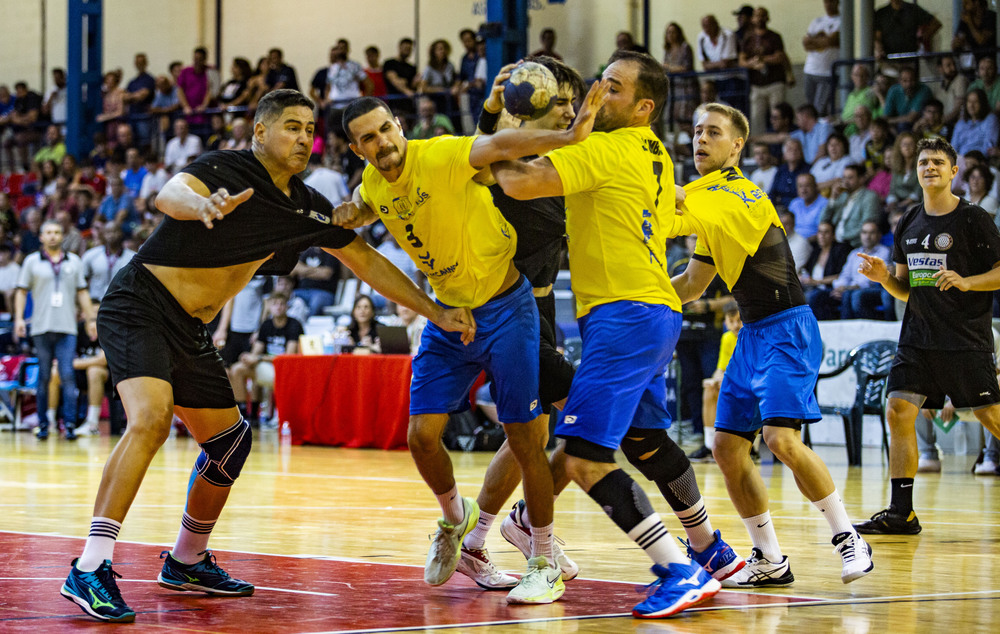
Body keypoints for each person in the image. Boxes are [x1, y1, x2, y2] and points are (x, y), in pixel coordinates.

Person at [58, 89, 474, 624]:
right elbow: (170, 193)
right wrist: (203, 205)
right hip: (139, 303)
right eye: (292, 127)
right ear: (260, 132)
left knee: (229, 443)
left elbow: (366, 262)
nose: (304, 138)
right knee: (151, 419)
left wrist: (436, 311)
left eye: (310, 130)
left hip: (189, 328)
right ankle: (91, 565)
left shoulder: (305, 206)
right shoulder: (227, 167)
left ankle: (186, 561)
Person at [338, 83, 608, 605]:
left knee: (527, 438)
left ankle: (544, 560)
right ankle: (454, 522)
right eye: (368, 139)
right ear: (357, 149)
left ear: (399, 125)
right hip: (448, 317)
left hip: (507, 309)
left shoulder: (439, 153)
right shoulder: (372, 180)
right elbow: (369, 203)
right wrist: (354, 211)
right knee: (421, 437)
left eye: (386, 129)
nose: (382, 143)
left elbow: (501, 146)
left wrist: (570, 134)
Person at [492, 50, 736, 619]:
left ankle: (677, 570)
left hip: (624, 315)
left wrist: (499, 130)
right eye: (600, 80)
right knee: (640, 440)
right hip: (653, 311)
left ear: (643, 106)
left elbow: (516, 183)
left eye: (615, 88)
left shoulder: (607, 146)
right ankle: (706, 549)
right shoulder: (656, 152)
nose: (600, 93)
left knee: (583, 456)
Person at [667, 102, 874, 588]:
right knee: (725, 448)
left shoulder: (738, 195)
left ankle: (848, 538)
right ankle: (770, 558)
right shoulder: (711, 206)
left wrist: (619, 180)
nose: (700, 140)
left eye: (713, 132)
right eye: (696, 131)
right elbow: (693, 284)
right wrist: (638, 292)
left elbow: (670, 203)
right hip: (752, 334)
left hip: (788, 328)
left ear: (737, 146)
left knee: (781, 440)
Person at [457, 56, 585, 590]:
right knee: (586, 418)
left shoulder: (562, 161)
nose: (572, 112)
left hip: (544, 307)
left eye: (574, 102)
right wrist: (489, 110)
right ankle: (532, 530)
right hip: (509, 312)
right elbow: (475, 155)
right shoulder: (507, 154)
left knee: (529, 434)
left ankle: (478, 541)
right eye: (562, 102)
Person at [854, 137, 1000, 535]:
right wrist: (884, 278)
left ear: (954, 171)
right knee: (898, 410)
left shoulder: (973, 219)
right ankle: (902, 512)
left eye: (937, 161)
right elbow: (906, 288)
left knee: (991, 416)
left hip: (963, 339)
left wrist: (968, 282)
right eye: (922, 162)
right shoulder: (908, 221)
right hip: (917, 338)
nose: (929, 167)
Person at [13, 220, 98, 440]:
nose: (53, 236)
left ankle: (69, 424)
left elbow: (82, 293)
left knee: (67, 374)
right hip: (40, 327)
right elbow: (21, 291)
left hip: (67, 328)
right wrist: (19, 319)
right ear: (41, 237)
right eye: (48, 232)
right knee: (43, 376)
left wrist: (90, 320)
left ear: (62, 236)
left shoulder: (75, 262)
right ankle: (44, 424)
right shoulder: (32, 262)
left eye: (57, 232)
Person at [227, 291, 303, 425]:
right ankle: (244, 414)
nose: (278, 307)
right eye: (275, 304)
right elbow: (257, 350)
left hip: (284, 369)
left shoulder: (294, 325)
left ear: (287, 307)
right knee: (236, 369)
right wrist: (249, 357)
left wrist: (259, 358)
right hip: (266, 365)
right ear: (270, 307)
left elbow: (288, 357)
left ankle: (267, 413)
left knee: (262, 371)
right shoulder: (266, 325)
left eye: (281, 304)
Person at [697, 302, 742, 460]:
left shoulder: (751, 336)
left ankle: (743, 445)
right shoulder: (727, 338)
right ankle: (710, 446)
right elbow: (721, 368)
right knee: (710, 388)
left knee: (724, 386)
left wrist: (724, 378)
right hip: (732, 381)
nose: (736, 325)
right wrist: (714, 379)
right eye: (731, 321)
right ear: (725, 322)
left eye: (739, 320)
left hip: (751, 382)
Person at [739, 7, 790, 139]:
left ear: (767, 18)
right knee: (756, 119)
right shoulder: (748, 38)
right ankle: (759, 150)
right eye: (757, 16)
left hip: (775, 83)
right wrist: (753, 63)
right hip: (757, 85)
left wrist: (763, 59)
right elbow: (742, 61)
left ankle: (781, 146)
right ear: (753, 18)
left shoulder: (774, 37)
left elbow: (780, 57)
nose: (759, 19)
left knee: (778, 117)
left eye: (762, 16)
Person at [821, 163, 882, 248]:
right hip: (834, 243)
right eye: (844, 178)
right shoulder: (841, 195)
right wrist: (832, 198)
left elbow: (866, 226)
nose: (845, 181)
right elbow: (823, 220)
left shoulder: (869, 197)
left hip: (852, 244)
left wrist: (841, 237)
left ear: (861, 179)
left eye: (850, 178)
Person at [802, 0, 841, 116]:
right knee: (810, 108)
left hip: (827, 73)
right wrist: (823, 41)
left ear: (837, 2)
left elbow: (831, 41)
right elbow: (805, 44)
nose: (828, 4)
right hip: (810, 69)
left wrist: (814, 41)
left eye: (831, 2)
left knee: (820, 110)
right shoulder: (816, 21)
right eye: (826, 2)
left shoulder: (842, 21)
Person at [874, 0, 941, 58]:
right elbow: (877, 38)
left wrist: (923, 38)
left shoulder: (913, 10)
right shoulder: (881, 13)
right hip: (889, 61)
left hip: (910, 59)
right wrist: (878, 49)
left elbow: (935, 24)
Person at [883, 66, 931, 130]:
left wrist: (889, 121)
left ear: (917, 80)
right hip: (896, 125)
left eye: (912, 80)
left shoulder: (924, 90)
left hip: (917, 124)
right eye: (905, 81)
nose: (909, 84)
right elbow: (886, 116)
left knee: (903, 125)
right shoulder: (893, 90)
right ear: (899, 81)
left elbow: (911, 118)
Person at [788, 172, 827, 239]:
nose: (803, 190)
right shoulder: (794, 203)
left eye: (807, 186)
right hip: (792, 241)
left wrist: (803, 242)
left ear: (815, 186)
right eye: (800, 186)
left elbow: (823, 233)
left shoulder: (824, 204)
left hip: (813, 243)